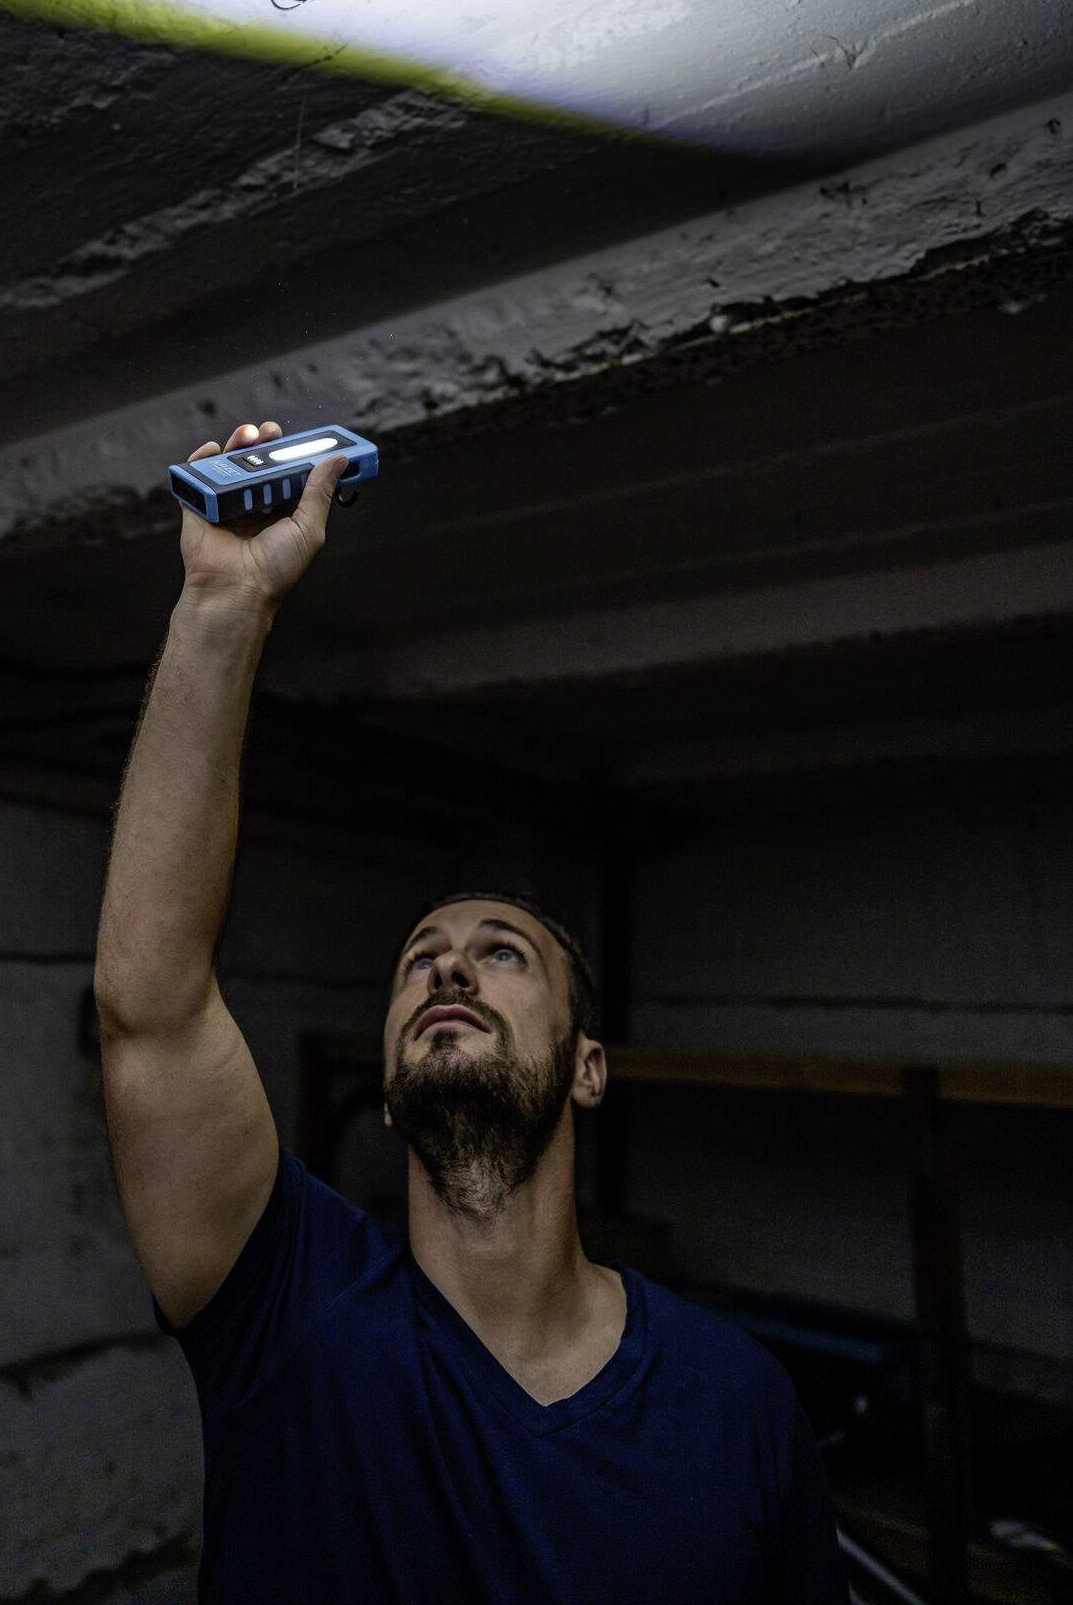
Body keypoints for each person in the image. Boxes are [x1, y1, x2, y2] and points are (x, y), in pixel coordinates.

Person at [95, 418, 850, 1605]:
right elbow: (151, 1007)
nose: (446, 971)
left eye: (501, 954)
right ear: (391, 1080)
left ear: (589, 1067)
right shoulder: (288, 1306)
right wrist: (219, 605)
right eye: (417, 962)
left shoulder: (738, 1400)